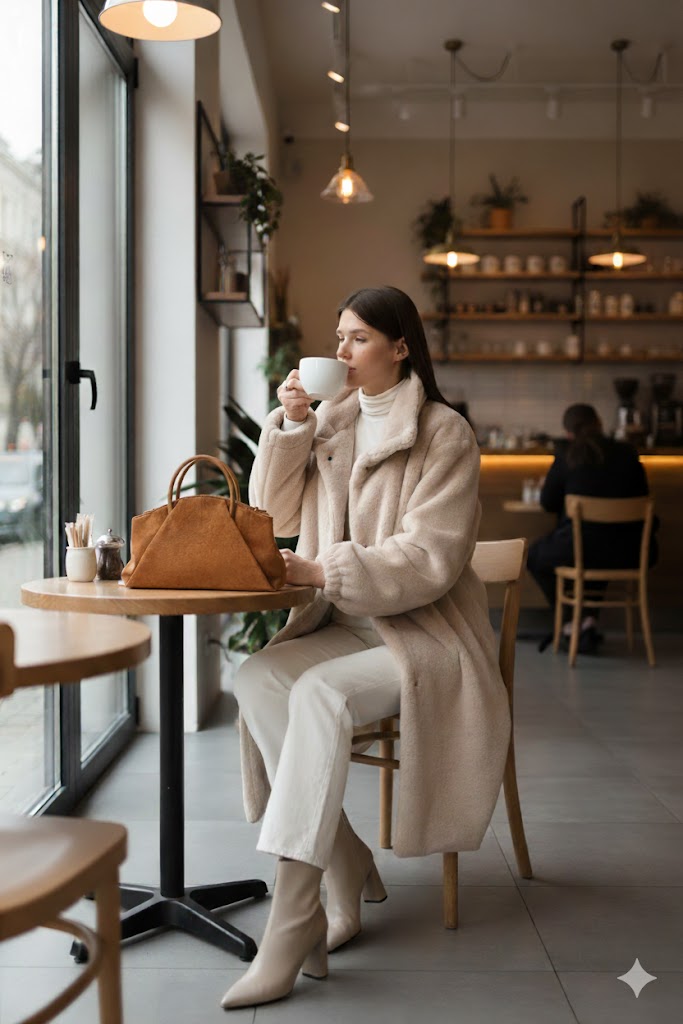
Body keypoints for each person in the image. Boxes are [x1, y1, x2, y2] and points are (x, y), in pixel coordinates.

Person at [221, 286, 510, 1010]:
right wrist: (290, 425)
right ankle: (345, 861)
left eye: (356, 339)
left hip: (424, 635)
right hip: (344, 624)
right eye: (338, 338)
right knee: (258, 677)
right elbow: (274, 514)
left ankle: (292, 926)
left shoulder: (444, 433)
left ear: (400, 346)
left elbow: (432, 558)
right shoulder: (333, 421)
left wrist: (327, 569)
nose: (341, 352)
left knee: (318, 694)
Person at [527, 403, 657, 654]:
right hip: (630, 551)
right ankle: (586, 621)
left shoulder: (567, 454)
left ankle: (570, 622)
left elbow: (547, 503)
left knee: (534, 556)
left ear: (568, 433)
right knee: (601, 551)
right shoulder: (628, 452)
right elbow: (644, 496)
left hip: (582, 548)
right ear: (599, 423)